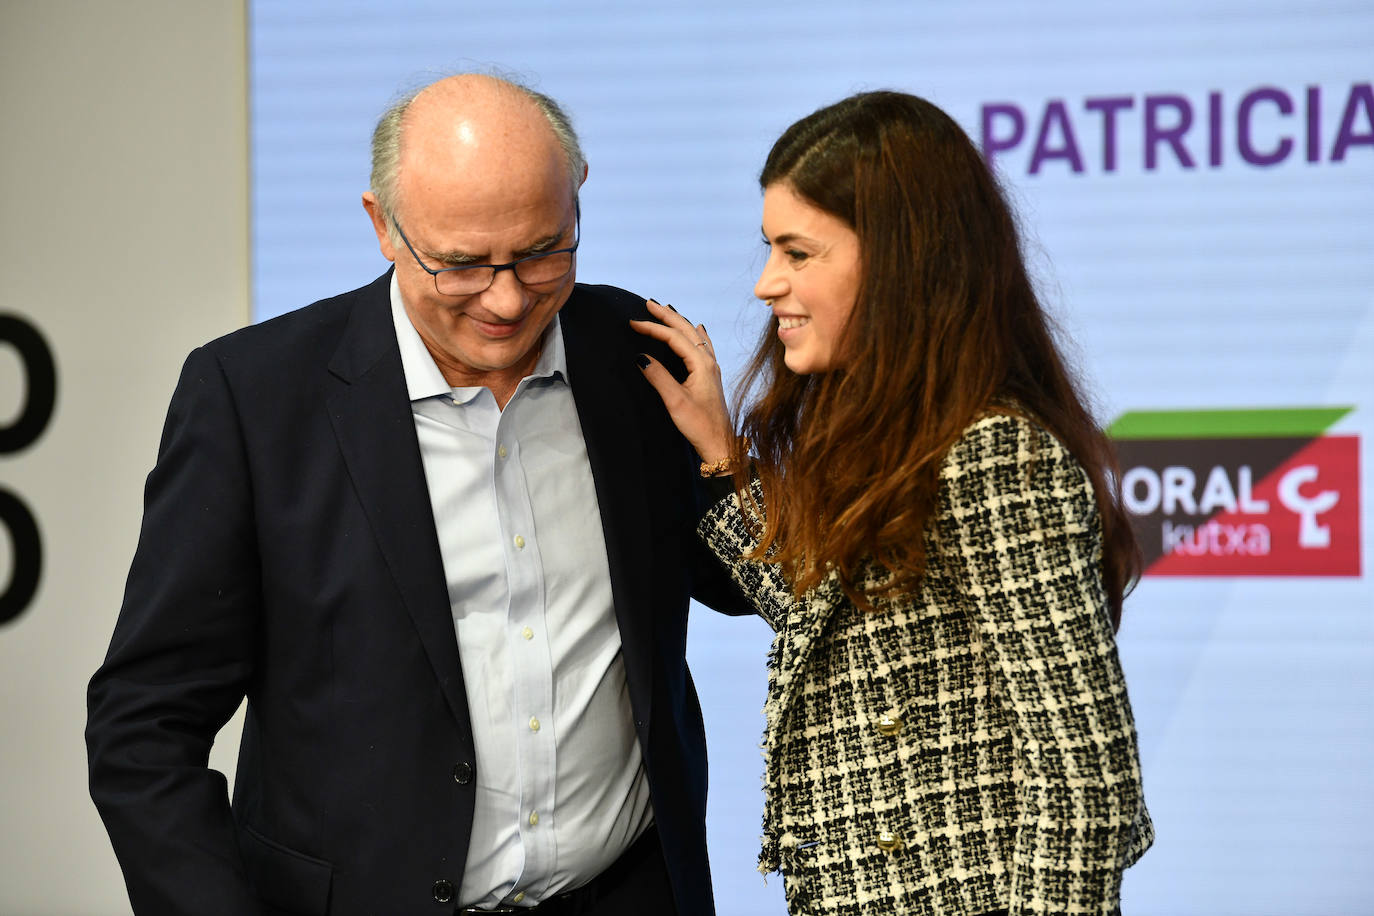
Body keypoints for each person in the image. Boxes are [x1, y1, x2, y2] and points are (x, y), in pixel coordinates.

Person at [86, 73, 751, 916]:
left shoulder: (640, 358)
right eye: (463, 264)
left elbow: (741, 586)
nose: (507, 301)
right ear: (382, 227)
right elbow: (143, 727)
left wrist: (727, 465)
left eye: (545, 250)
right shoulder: (254, 398)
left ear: (579, 194)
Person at [633, 90, 1153, 915]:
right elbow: (833, 633)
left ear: (899, 259)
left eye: (799, 252)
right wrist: (725, 461)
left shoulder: (994, 452)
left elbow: (1084, 773)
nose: (768, 284)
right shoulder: (882, 435)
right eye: (769, 248)